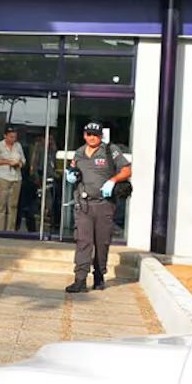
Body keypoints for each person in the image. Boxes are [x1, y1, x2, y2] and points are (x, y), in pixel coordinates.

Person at [64, 121, 132, 293]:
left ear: (100, 136)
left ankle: (99, 275)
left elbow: (126, 170)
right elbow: (73, 170)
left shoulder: (110, 150)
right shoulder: (79, 153)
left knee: (101, 243)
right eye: (88, 134)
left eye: (95, 134)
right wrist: (71, 175)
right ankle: (80, 279)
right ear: (84, 135)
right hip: (84, 205)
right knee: (83, 242)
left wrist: (113, 180)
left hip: (104, 205)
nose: (92, 137)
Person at [0, 124, 25, 231]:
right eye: (11, 137)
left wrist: (18, 163)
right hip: (3, 177)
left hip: (16, 178)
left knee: (13, 206)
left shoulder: (18, 146)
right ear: (5, 136)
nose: (13, 139)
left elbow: (23, 160)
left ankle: (10, 230)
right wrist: (8, 162)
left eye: (15, 137)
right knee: (1, 206)